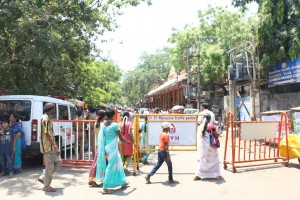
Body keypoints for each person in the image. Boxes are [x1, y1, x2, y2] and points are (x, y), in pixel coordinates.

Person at [96, 108, 130, 194]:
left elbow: (102, 138)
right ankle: (105, 186)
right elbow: (121, 138)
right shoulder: (115, 125)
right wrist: (128, 142)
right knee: (111, 166)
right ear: (114, 115)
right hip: (113, 147)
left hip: (107, 147)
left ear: (106, 115)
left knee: (118, 164)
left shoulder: (104, 125)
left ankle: (123, 182)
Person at [38, 103, 61, 192]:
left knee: (58, 161)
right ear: (51, 109)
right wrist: (55, 146)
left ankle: (44, 177)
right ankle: (46, 186)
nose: (54, 111)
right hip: (47, 147)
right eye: (53, 109)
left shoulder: (48, 118)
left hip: (51, 145)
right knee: (50, 166)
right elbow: (47, 134)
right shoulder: (45, 119)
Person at [194, 113, 223, 181]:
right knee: (215, 161)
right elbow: (216, 135)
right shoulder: (212, 126)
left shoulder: (200, 127)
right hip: (211, 148)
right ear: (210, 119)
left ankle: (198, 175)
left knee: (202, 161)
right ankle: (217, 175)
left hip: (203, 148)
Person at [88, 109, 106, 187]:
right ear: (104, 116)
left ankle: (96, 178)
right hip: (103, 144)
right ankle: (93, 178)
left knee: (97, 161)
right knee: (97, 162)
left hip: (98, 143)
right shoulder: (104, 124)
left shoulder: (96, 124)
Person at [119, 111, 133, 176]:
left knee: (122, 154)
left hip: (121, 140)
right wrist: (133, 140)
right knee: (129, 155)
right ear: (128, 116)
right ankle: (125, 166)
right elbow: (130, 133)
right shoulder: (129, 123)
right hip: (128, 140)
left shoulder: (120, 123)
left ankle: (122, 168)